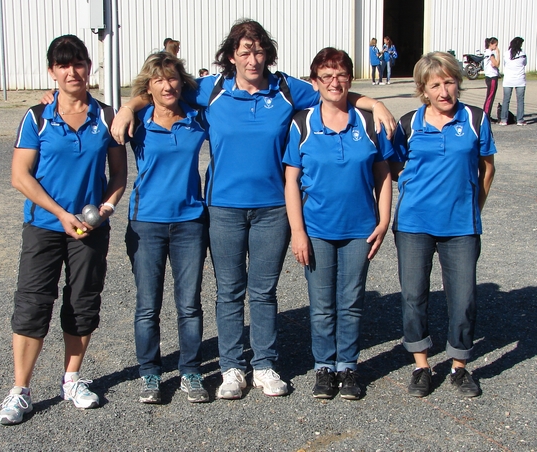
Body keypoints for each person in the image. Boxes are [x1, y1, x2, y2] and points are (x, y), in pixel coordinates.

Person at [110, 18, 396, 400]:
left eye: (259, 50)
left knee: (263, 291)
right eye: (245, 51)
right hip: (223, 208)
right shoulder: (212, 89)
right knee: (229, 290)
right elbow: (165, 88)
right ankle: (232, 367)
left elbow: (333, 92)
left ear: (268, 54)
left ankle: (264, 364)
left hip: (273, 209)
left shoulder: (286, 89)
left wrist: (374, 102)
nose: (253, 58)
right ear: (231, 56)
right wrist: (130, 106)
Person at [0, 35, 127, 425]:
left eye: (79, 63)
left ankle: (71, 379)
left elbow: (119, 173)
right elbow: (20, 176)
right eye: (64, 64)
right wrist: (61, 214)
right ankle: (20, 390)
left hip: (89, 229)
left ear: (89, 67)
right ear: (52, 71)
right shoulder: (37, 117)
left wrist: (104, 208)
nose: (73, 71)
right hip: (44, 227)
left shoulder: (105, 116)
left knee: (83, 301)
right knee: (33, 303)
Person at [283, 48, 392, 400]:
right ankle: (324, 368)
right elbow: (291, 182)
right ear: (315, 82)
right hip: (316, 229)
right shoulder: (302, 123)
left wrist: (384, 219)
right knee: (322, 303)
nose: (335, 82)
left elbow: (384, 174)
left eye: (341, 74)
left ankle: (348, 366)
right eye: (326, 76)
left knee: (351, 301)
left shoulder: (368, 123)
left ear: (350, 78)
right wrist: (297, 232)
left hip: (360, 228)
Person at [389, 51, 496, 398]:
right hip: (414, 224)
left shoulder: (475, 119)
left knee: (463, 298)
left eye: (449, 82)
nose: (444, 91)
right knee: (413, 295)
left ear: (458, 83)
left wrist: (471, 206)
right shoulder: (409, 124)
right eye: (435, 84)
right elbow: (392, 169)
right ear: (423, 89)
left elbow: (487, 168)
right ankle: (421, 364)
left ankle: (459, 366)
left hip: (462, 226)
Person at [124, 52, 209, 404]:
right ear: (149, 85)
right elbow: (92, 111)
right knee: (148, 305)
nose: (167, 85)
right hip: (147, 223)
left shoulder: (197, 118)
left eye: (172, 78)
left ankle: (190, 370)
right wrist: (129, 107)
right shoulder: (137, 120)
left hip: (190, 221)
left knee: (189, 304)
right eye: (158, 79)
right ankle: (149, 374)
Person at [499, 37, 527, 126]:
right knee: (520, 101)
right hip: (520, 80)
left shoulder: (506, 54)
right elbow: (524, 63)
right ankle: (520, 120)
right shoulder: (523, 54)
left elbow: (505, 64)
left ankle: (503, 120)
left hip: (508, 80)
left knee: (506, 100)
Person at [483, 37, 500, 119]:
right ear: (491, 44)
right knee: (490, 97)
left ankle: (486, 113)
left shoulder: (486, 52)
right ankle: (486, 114)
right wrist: (498, 53)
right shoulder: (491, 54)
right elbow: (496, 64)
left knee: (489, 96)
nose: (496, 47)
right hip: (492, 76)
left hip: (488, 76)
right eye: (495, 45)